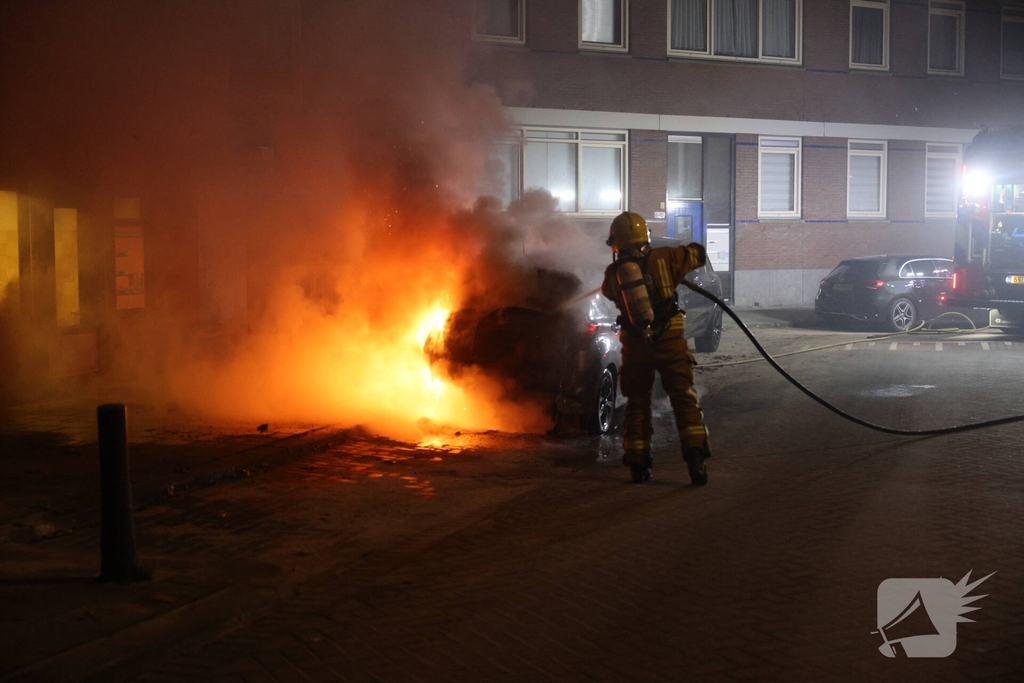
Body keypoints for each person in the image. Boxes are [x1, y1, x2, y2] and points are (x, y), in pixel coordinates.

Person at [600, 211, 711, 485]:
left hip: (635, 344)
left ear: (616, 243)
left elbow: (608, 293)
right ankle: (695, 457)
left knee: (637, 402)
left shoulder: (614, 273)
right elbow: (699, 254)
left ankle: (638, 463)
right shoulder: (667, 257)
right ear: (645, 236)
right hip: (670, 340)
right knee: (682, 396)